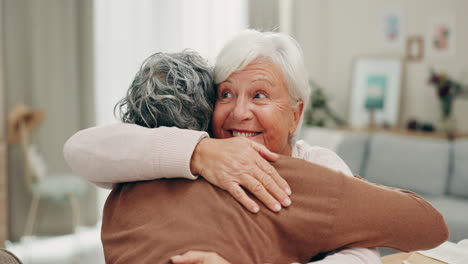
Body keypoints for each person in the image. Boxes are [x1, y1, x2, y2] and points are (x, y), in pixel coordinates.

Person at [64, 31, 448, 263]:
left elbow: (362, 256)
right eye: (226, 94)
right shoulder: (197, 153)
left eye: (260, 95)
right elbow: (81, 148)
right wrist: (199, 152)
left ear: (295, 116)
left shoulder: (315, 166)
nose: (239, 112)